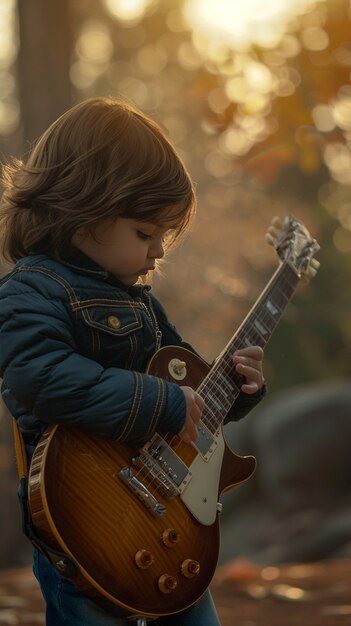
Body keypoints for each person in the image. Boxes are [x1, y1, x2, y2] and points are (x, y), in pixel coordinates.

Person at [0, 96, 266, 626]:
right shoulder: (29, 291)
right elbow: (39, 376)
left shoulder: (142, 303)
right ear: (80, 211)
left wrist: (235, 386)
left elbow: (190, 389)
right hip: (86, 533)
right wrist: (163, 402)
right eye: (145, 233)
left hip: (168, 531)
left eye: (163, 236)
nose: (158, 252)